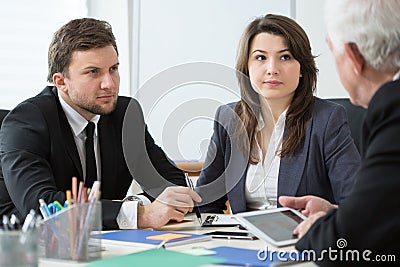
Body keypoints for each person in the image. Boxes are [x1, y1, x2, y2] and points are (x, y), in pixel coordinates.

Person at [0, 18, 201, 230]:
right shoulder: (26, 122)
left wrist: (133, 206)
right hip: (31, 248)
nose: (110, 84)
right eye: (93, 72)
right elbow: (43, 207)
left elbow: (171, 183)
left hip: (108, 243)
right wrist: (139, 215)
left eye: (113, 69)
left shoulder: (125, 114)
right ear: (60, 82)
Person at [196, 14, 360, 214]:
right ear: (246, 67)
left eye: (285, 57)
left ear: (302, 68)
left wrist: (328, 214)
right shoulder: (228, 118)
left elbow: (356, 204)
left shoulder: (327, 120)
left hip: (302, 239)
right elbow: (206, 204)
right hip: (241, 241)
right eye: (260, 58)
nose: (272, 69)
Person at [279, 0, 400, 264]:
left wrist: (320, 229)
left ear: (354, 57)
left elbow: (345, 244)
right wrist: (338, 213)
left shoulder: (393, 113)